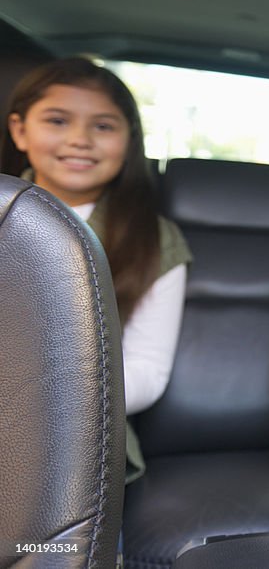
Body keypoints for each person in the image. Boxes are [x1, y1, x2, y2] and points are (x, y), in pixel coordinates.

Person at [2, 56, 191, 482]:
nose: (80, 139)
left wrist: (38, 396)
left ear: (129, 140)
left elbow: (146, 368)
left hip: (77, 434)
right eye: (57, 120)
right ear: (19, 130)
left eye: (103, 126)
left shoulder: (154, 239)